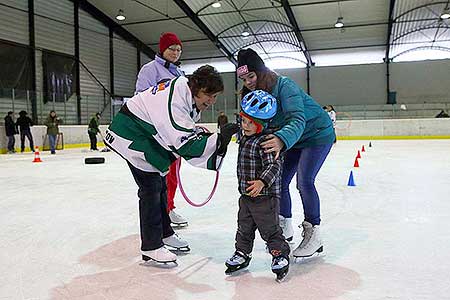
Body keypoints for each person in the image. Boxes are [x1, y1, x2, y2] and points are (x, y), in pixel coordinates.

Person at [104, 65, 239, 263]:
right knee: (150, 188)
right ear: (196, 88)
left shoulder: (186, 93)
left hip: (144, 132)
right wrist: (218, 140)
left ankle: (165, 232)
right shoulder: (176, 99)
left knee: (160, 185)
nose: (211, 101)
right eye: (208, 95)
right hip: (132, 133)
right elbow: (184, 143)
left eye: (215, 96)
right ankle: (151, 245)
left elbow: (184, 132)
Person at [237, 48, 335, 258]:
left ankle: (314, 233)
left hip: (316, 134)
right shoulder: (251, 94)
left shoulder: (284, 86)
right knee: (279, 180)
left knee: (304, 181)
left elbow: (297, 119)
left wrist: (281, 139)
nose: (248, 82)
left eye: (251, 76)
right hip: (294, 139)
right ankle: (285, 225)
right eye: (244, 79)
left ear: (262, 72)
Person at [225, 90, 290, 281]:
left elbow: (274, 165)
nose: (244, 125)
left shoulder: (266, 141)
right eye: (242, 120)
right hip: (246, 195)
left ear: (260, 125)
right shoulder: (245, 136)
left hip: (265, 197)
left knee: (269, 229)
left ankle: (280, 254)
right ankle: (242, 253)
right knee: (243, 227)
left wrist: (262, 182)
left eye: (248, 122)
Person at [135, 32, 187, 227]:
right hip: (157, 132)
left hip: (175, 133)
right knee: (159, 176)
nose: (175, 53)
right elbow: (140, 97)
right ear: (162, 49)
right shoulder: (150, 70)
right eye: (172, 49)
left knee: (173, 174)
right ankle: (160, 213)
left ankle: (169, 207)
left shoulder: (180, 74)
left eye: (179, 50)